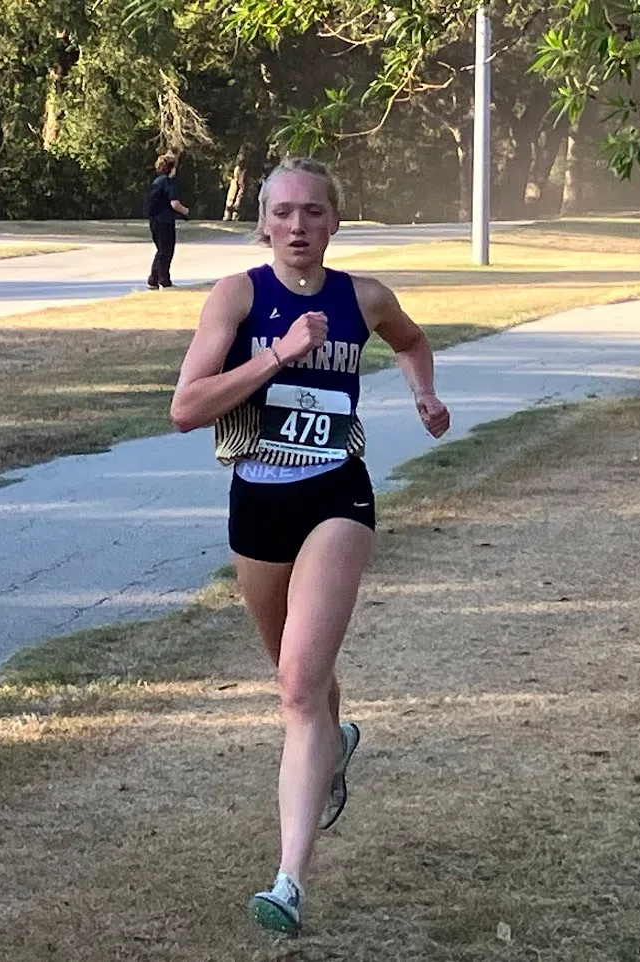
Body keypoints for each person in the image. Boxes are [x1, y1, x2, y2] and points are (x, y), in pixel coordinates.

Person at [168, 156, 451, 937]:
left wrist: (423, 393)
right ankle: (336, 740)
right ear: (263, 223)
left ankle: (288, 881)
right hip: (257, 501)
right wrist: (276, 356)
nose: (298, 226)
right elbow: (185, 409)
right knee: (303, 685)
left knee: (296, 687)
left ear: (334, 222)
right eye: (284, 213)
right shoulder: (236, 296)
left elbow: (412, 340)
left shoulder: (363, 296)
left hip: (336, 493)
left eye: (313, 213)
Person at [146, 154, 190, 289]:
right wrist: (186, 211)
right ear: (172, 168)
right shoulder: (170, 183)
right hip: (165, 221)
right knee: (166, 251)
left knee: (161, 250)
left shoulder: (157, 182)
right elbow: (174, 204)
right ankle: (164, 281)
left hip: (154, 220)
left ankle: (153, 279)